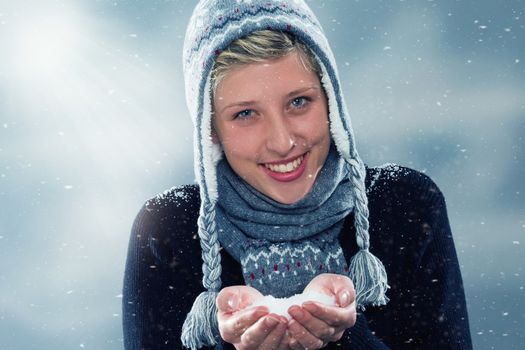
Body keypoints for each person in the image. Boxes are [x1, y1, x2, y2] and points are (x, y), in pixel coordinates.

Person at [122, 1, 472, 349]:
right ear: (209, 129)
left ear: (331, 100)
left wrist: (342, 337)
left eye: (298, 102)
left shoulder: (405, 204)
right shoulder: (169, 230)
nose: (282, 142)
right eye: (245, 113)